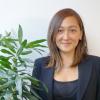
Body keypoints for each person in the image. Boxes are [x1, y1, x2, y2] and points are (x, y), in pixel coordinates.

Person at [31, 8, 100, 100]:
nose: (66, 37)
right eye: (60, 30)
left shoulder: (96, 64)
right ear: (53, 34)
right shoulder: (40, 65)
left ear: (81, 34)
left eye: (72, 30)